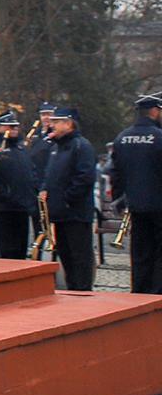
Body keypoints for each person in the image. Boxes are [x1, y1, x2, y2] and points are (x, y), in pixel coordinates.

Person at [40, 107, 98, 291]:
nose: (52, 125)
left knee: (80, 256)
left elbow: (85, 177)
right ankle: (71, 290)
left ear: (68, 123)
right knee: (66, 256)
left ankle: (82, 290)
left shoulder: (81, 146)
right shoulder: (56, 147)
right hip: (59, 213)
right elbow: (50, 175)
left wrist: (67, 198)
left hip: (76, 212)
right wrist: (45, 190)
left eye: (56, 122)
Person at [110, 93, 162, 294]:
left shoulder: (122, 138)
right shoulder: (159, 137)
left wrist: (118, 198)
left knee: (140, 251)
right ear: (155, 111)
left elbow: (115, 172)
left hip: (135, 204)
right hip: (159, 204)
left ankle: (140, 291)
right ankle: (157, 293)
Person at [0, 112, 41, 260]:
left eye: (16, 126)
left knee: (20, 248)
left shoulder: (20, 147)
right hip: (3, 207)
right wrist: (4, 195)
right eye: (10, 126)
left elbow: (30, 170)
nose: (14, 129)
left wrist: (33, 192)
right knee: (6, 249)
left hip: (22, 205)